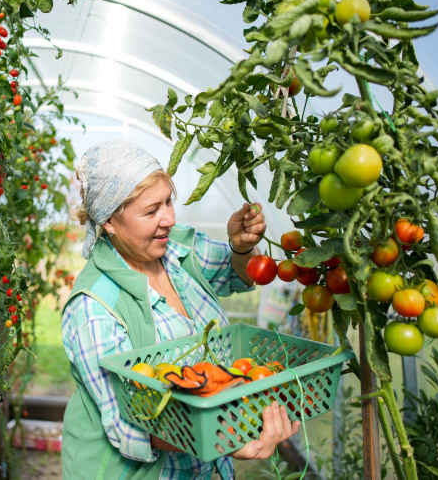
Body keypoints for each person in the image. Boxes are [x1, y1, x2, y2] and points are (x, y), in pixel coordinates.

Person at [60, 139, 301, 479]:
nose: (169, 218)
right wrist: (227, 437)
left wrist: (240, 246)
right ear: (109, 221)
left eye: (168, 201)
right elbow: (129, 424)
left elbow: (232, 271)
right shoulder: (93, 308)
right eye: (151, 210)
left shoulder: (175, 252)